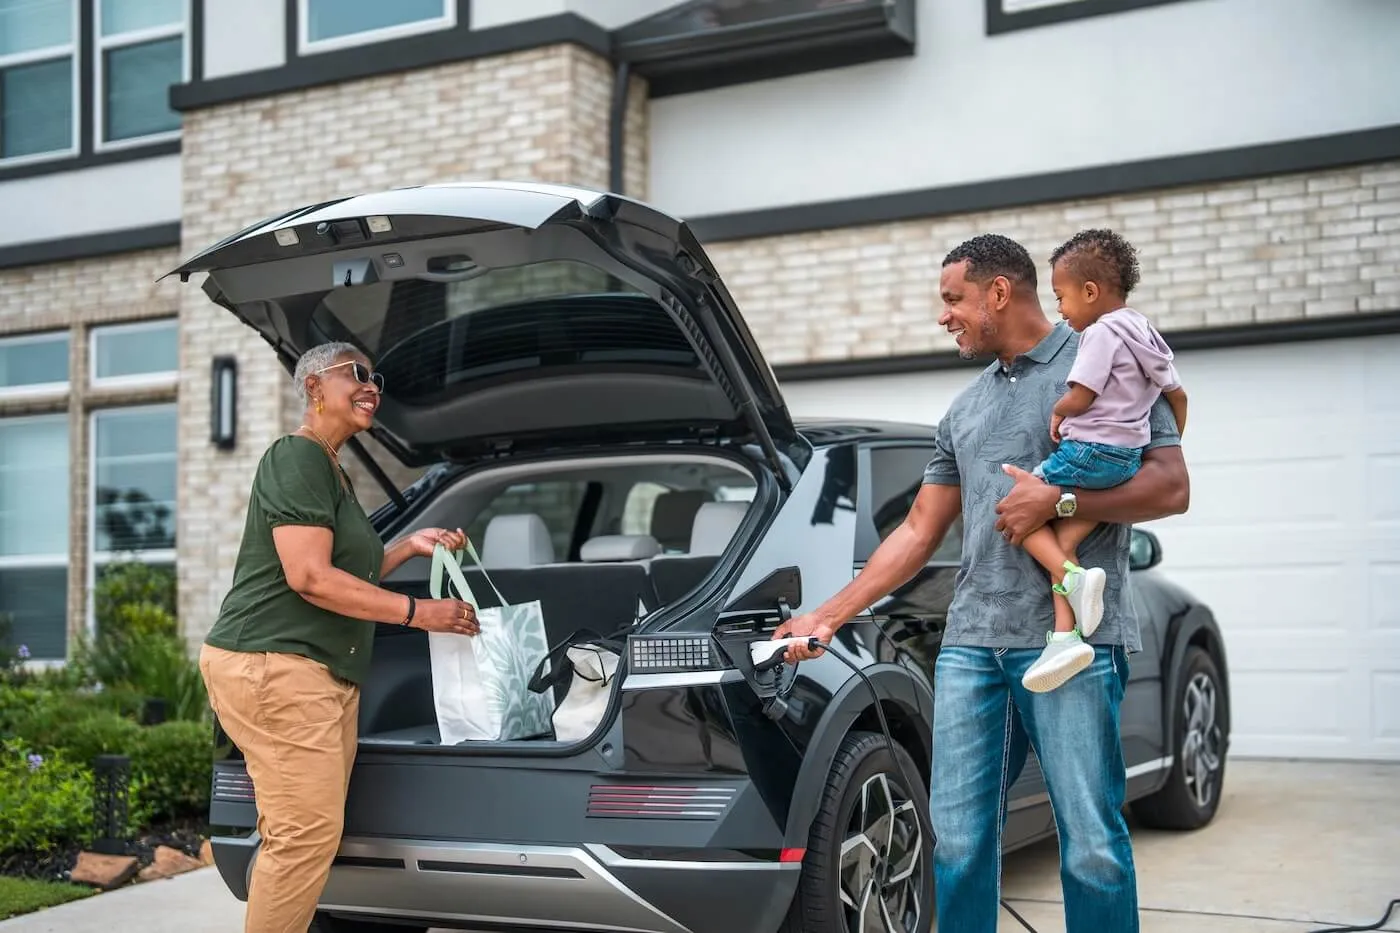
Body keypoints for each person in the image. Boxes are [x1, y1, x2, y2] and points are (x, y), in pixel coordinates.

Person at [773, 234, 1190, 933]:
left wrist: (1059, 503)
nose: (945, 316)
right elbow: (916, 530)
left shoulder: (1101, 357)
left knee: (1091, 844)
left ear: (999, 292)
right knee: (959, 840)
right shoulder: (963, 411)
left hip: (1072, 644)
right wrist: (828, 615)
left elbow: (1170, 486)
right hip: (971, 646)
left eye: (953, 299)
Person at [197, 341, 480, 933]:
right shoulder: (296, 457)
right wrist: (416, 612)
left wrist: (407, 546)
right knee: (302, 838)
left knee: (304, 833)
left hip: (311, 671)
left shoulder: (331, 468)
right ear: (313, 386)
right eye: (356, 374)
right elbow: (309, 578)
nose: (371, 385)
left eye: (375, 378)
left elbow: (342, 575)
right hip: (275, 664)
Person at [1018, 229, 1189, 693]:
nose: (1060, 309)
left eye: (1061, 297)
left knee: (1018, 512)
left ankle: (1073, 579)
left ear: (1090, 292)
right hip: (1121, 463)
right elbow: (1179, 397)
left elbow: (1083, 392)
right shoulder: (1145, 332)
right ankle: (1065, 639)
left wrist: (1059, 410)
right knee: (1062, 543)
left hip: (1086, 452)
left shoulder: (1099, 332)